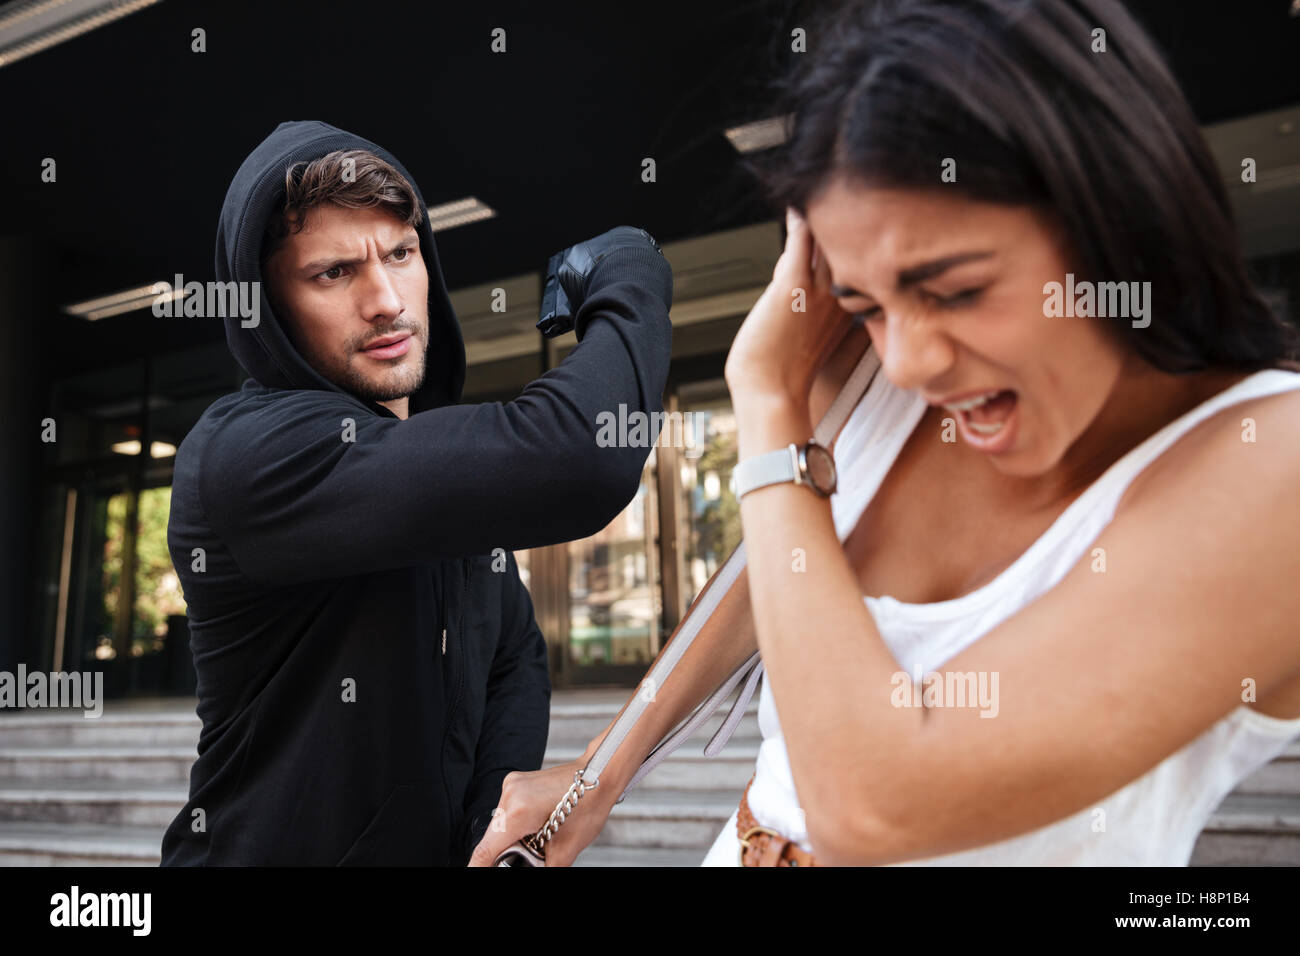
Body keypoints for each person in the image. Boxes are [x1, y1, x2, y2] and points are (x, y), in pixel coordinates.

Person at [471, 0, 1300, 867]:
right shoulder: (876, 379)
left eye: (954, 289)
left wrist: (762, 388)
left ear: (1125, 223)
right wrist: (597, 774)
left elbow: (871, 807)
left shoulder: (1267, 461)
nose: (909, 362)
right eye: (866, 303)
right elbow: (778, 569)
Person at [161, 121, 673, 865]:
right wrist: (629, 271)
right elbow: (583, 456)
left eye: (402, 254)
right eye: (334, 273)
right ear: (267, 306)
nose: (385, 299)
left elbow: (512, 655)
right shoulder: (250, 452)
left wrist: (486, 826)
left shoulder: (417, 463)